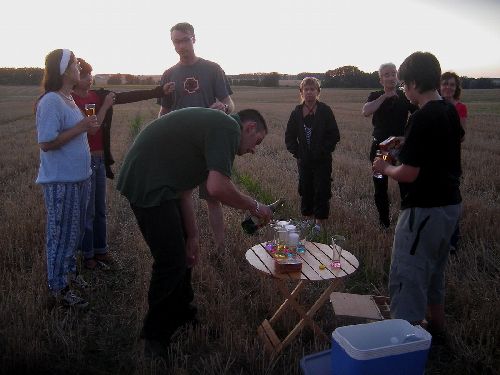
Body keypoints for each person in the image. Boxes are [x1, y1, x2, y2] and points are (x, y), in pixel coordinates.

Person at [117, 107, 272, 357]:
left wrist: (193, 236)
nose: (254, 149)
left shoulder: (217, 131)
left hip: (164, 185)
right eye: (257, 141)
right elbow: (217, 187)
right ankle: (155, 336)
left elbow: (185, 191)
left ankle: (183, 315)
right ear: (249, 127)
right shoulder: (228, 128)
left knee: (184, 258)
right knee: (170, 262)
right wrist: (255, 205)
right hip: (148, 183)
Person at [373, 51, 464, 338]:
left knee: (407, 275)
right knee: (434, 272)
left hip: (424, 209)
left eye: (403, 85)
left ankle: (405, 341)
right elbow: (441, 148)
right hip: (450, 205)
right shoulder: (448, 110)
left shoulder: (423, 117)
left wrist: (384, 168)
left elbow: (409, 173)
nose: (403, 90)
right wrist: (407, 143)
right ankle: (437, 331)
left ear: (413, 83)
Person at [72, 58, 173, 270]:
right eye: (84, 75)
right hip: (82, 160)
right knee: (88, 210)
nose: (89, 78)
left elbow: (129, 96)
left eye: (90, 74)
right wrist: (106, 105)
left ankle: (101, 250)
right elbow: (94, 127)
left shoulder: (97, 96)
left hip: (99, 161)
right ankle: (87, 254)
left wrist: (159, 91)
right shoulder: (69, 101)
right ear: (72, 76)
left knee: (100, 209)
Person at [157, 22, 235, 249]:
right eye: (176, 42)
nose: (181, 46)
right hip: (181, 145)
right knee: (183, 196)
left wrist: (225, 108)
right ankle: (189, 244)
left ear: (194, 38)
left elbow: (229, 102)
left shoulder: (212, 69)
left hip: (209, 142)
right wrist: (156, 133)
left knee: (213, 196)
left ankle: (220, 247)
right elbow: (164, 111)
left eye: (184, 40)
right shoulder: (169, 74)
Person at [35, 49, 98, 308]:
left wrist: (84, 128)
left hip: (79, 177)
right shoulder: (51, 101)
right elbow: (47, 143)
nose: (78, 68)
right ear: (63, 70)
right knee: (60, 234)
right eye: (73, 64)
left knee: (74, 233)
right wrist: (81, 128)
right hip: (61, 180)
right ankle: (58, 289)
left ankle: (70, 274)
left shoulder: (68, 99)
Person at [362, 63, 417, 228]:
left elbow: (419, 113)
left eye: (393, 73)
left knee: (405, 186)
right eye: (386, 74)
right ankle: (384, 223)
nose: (391, 77)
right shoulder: (375, 95)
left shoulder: (405, 96)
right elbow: (365, 111)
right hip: (381, 149)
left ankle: (407, 222)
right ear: (381, 79)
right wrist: (385, 96)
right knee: (380, 186)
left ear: (398, 76)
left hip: (399, 146)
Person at [285, 77, 340, 230]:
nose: (309, 92)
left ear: (318, 92)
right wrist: (298, 153)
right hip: (304, 161)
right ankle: (307, 219)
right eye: (306, 89)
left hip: (322, 161)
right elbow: (289, 137)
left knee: (322, 189)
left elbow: (334, 135)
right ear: (301, 92)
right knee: (305, 189)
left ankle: (319, 222)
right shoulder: (296, 113)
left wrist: (323, 151)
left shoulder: (325, 111)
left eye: (312, 89)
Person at [440, 71, 468, 254]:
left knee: (452, 200)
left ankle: (452, 240)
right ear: (439, 86)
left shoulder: (461, 108)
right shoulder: (433, 105)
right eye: (445, 84)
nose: (448, 87)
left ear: (456, 88)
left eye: (452, 84)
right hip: (433, 159)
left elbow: (462, 136)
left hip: (450, 158)